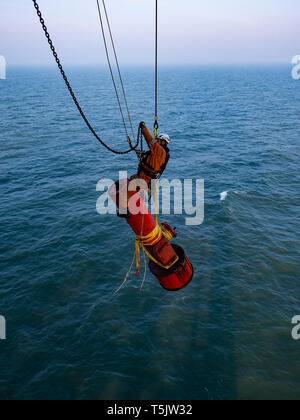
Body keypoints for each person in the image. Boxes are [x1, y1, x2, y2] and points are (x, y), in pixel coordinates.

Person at [130, 122, 171, 189]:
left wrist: (143, 128)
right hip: (146, 177)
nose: (156, 141)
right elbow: (152, 160)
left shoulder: (159, 150)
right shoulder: (163, 154)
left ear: (163, 142)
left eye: (158, 140)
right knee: (131, 179)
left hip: (144, 178)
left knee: (126, 189)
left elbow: (149, 139)